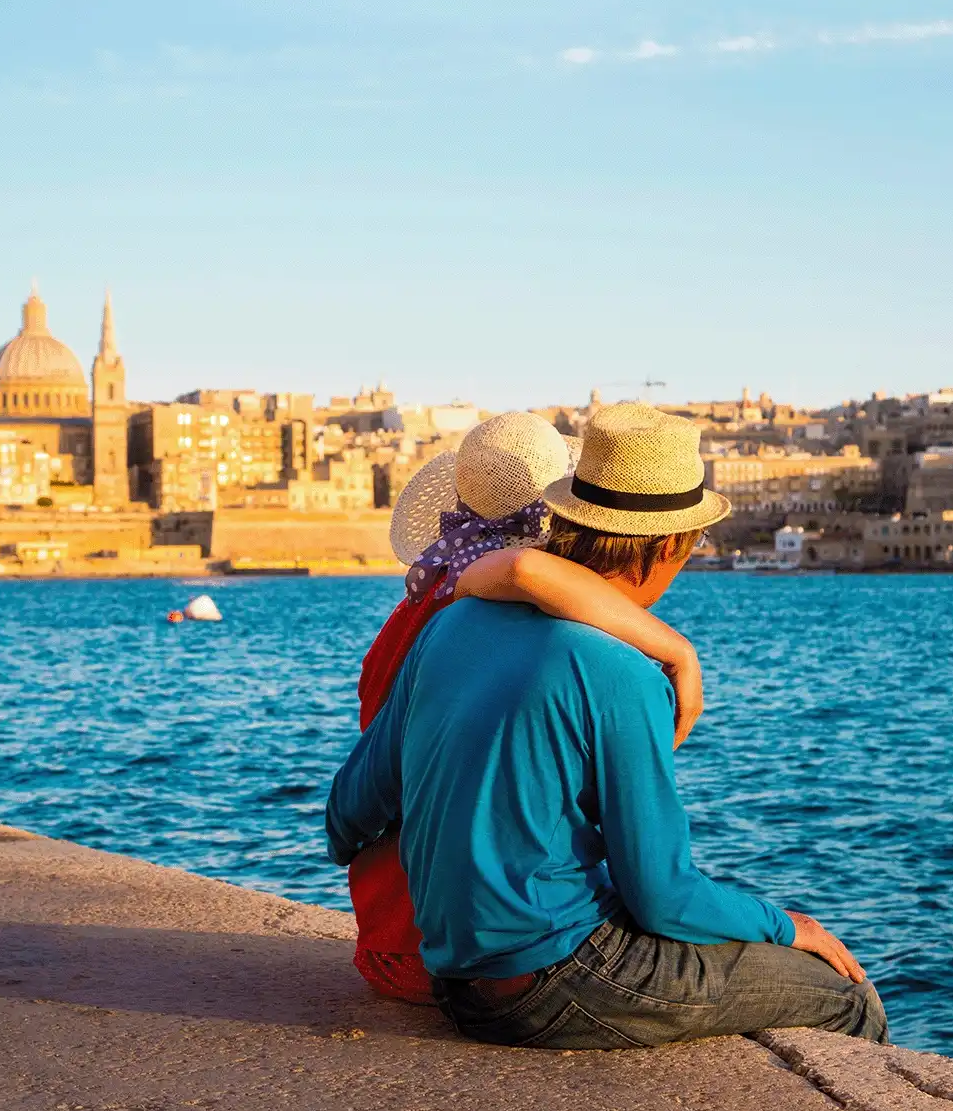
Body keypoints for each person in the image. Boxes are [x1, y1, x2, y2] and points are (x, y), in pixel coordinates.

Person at [328, 402, 886, 1048]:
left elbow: (346, 814)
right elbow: (664, 898)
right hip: (553, 982)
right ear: (676, 544)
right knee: (846, 998)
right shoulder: (624, 672)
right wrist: (791, 926)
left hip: (450, 979)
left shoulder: (449, 622)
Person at [350, 412, 708, 1006]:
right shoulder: (512, 628)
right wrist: (675, 649)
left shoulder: (419, 609)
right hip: (456, 955)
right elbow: (524, 568)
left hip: (386, 940)